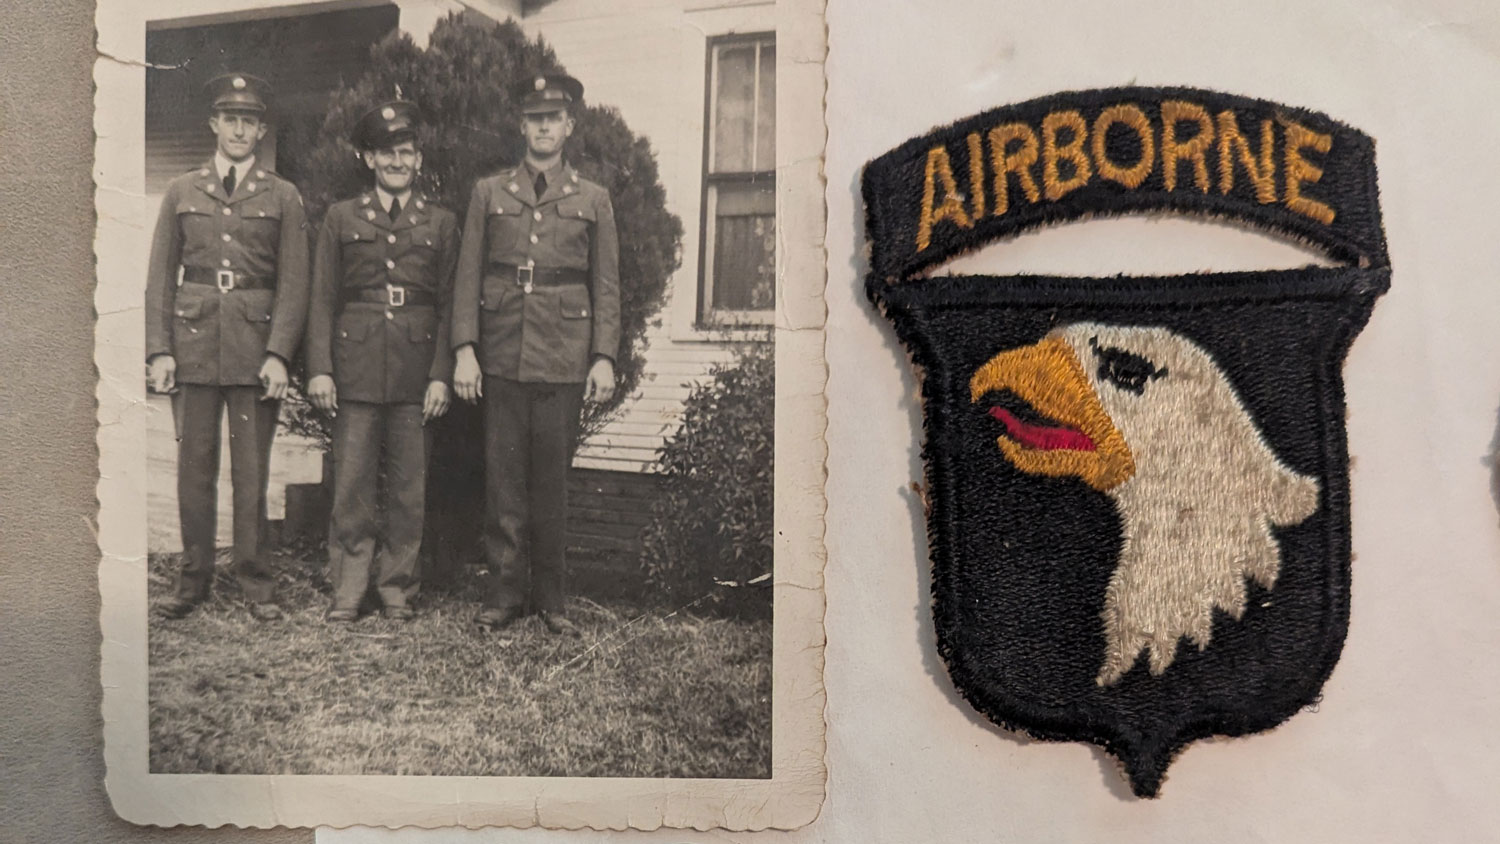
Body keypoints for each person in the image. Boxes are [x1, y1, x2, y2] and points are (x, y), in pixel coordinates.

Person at [451, 72, 621, 635]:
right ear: (521, 126)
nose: (544, 127)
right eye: (534, 118)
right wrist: (465, 348)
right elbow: (467, 276)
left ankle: (551, 600)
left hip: (565, 356)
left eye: (554, 118)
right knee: (503, 481)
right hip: (500, 353)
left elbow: (607, 285)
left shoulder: (593, 199)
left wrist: (603, 356)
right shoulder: (489, 193)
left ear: (569, 126)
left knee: (551, 482)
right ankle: (502, 596)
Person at [146, 73, 310, 622]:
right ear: (214, 124)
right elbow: (160, 279)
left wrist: (279, 353)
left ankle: (256, 583)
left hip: (253, 349)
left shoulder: (282, 195)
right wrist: (159, 350)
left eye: (250, 121)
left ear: (262, 130)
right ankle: (192, 581)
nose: (240, 129)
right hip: (192, 345)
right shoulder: (181, 191)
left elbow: (294, 284)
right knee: (193, 470)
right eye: (230, 118)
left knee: (251, 473)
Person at [304, 101, 457, 623]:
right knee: (351, 485)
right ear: (368, 158)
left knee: (409, 488)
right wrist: (321, 367)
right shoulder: (342, 217)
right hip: (356, 368)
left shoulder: (440, 222)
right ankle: (348, 588)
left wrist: (442, 374)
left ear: (418, 159)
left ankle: (396, 587)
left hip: (417, 371)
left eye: (407, 152)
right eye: (387, 152)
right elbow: (323, 297)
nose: (398, 161)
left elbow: (450, 304)